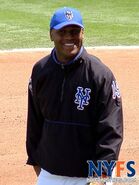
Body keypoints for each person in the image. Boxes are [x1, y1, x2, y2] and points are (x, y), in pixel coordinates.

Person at [26, 7, 123, 185]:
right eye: (62, 31)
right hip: (50, 173)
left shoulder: (100, 74)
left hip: (87, 176)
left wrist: (100, 176)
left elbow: (111, 131)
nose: (69, 37)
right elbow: (35, 120)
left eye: (74, 31)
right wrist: (35, 160)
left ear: (83, 33)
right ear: (51, 34)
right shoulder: (40, 71)